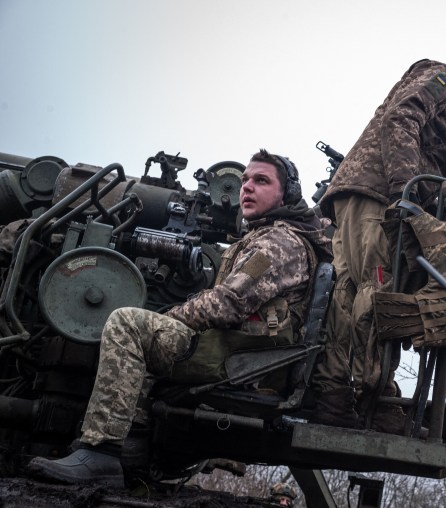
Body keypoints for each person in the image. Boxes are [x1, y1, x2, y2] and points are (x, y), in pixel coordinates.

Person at [28, 149, 333, 487]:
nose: (246, 187)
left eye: (261, 181)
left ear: (286, 194)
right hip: (242, 353)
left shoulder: (278, 242)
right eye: (245, 179)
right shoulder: (275, 236)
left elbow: (228, 303)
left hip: (241, 359)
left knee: (128, 324)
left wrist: (172, 317)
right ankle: (133, 449)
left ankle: (100, 452)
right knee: (150, 333)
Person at [313, 59, 446, 432]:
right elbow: (402, 117)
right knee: (379, 290)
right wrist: (403, 192)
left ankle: (336, 394)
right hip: (378, 195)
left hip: (364, 193)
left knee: (348, 292)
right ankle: (375, 395)